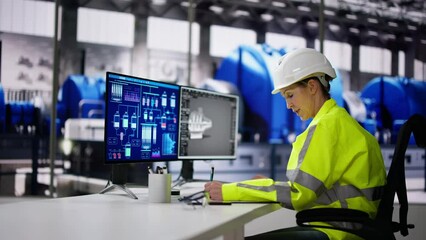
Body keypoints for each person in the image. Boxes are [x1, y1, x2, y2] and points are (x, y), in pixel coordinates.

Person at [204, 48, 387, 240]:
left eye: (290, 95)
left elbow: (297, 195)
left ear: (312, 86)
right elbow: (314, 190)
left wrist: (228, 190)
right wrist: (265, 185)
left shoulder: (325, 127)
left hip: (338, 232)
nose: (288, 105)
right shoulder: (341, 122)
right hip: (355, 227)